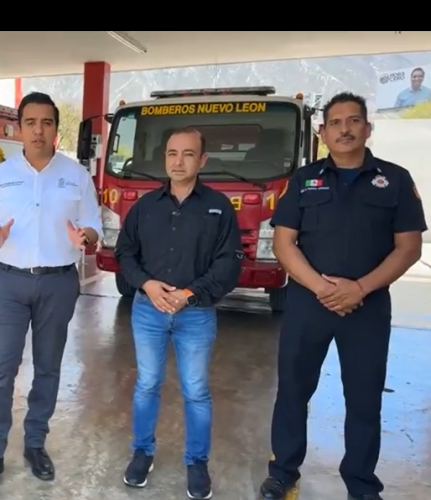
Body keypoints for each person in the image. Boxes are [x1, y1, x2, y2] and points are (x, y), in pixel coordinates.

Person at [258, 92, 426, 500]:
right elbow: (283, 244)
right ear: (322, 132)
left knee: (364, 397)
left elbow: (408, 247)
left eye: (353, 121)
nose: (345, 129)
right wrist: (322, 287)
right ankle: (283, 472)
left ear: (368, 129)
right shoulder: (304, 179)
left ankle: (361, 484)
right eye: (335, 122)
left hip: (368, 306)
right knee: (293, 390)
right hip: (308, 304)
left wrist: (360, 288)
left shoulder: (395, 179)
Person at [0, 92, 102, 483]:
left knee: (48, 366)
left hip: (58, 282)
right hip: (9, 281)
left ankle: (35, 444)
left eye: (46, 122)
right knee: (1, 367)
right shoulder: (0, 175)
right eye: (30, 122)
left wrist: (85, 237)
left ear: (56, 128)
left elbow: (93, 225)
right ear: (19, 128)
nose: (38, 130)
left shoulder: (76, 175)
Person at [114, 127, 243, 498]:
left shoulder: (218, 208)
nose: (178, 161)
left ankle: (197, 462)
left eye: (188, 154)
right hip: (148, 311)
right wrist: (147, 284)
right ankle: (142, 452)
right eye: (172, 153)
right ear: (165, 159)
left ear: (202, 160)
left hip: (196, 314)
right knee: (147, 384)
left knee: (196, 390)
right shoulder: (145, 207)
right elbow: (125, 253)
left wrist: (190, 293)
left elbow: (229, 262)